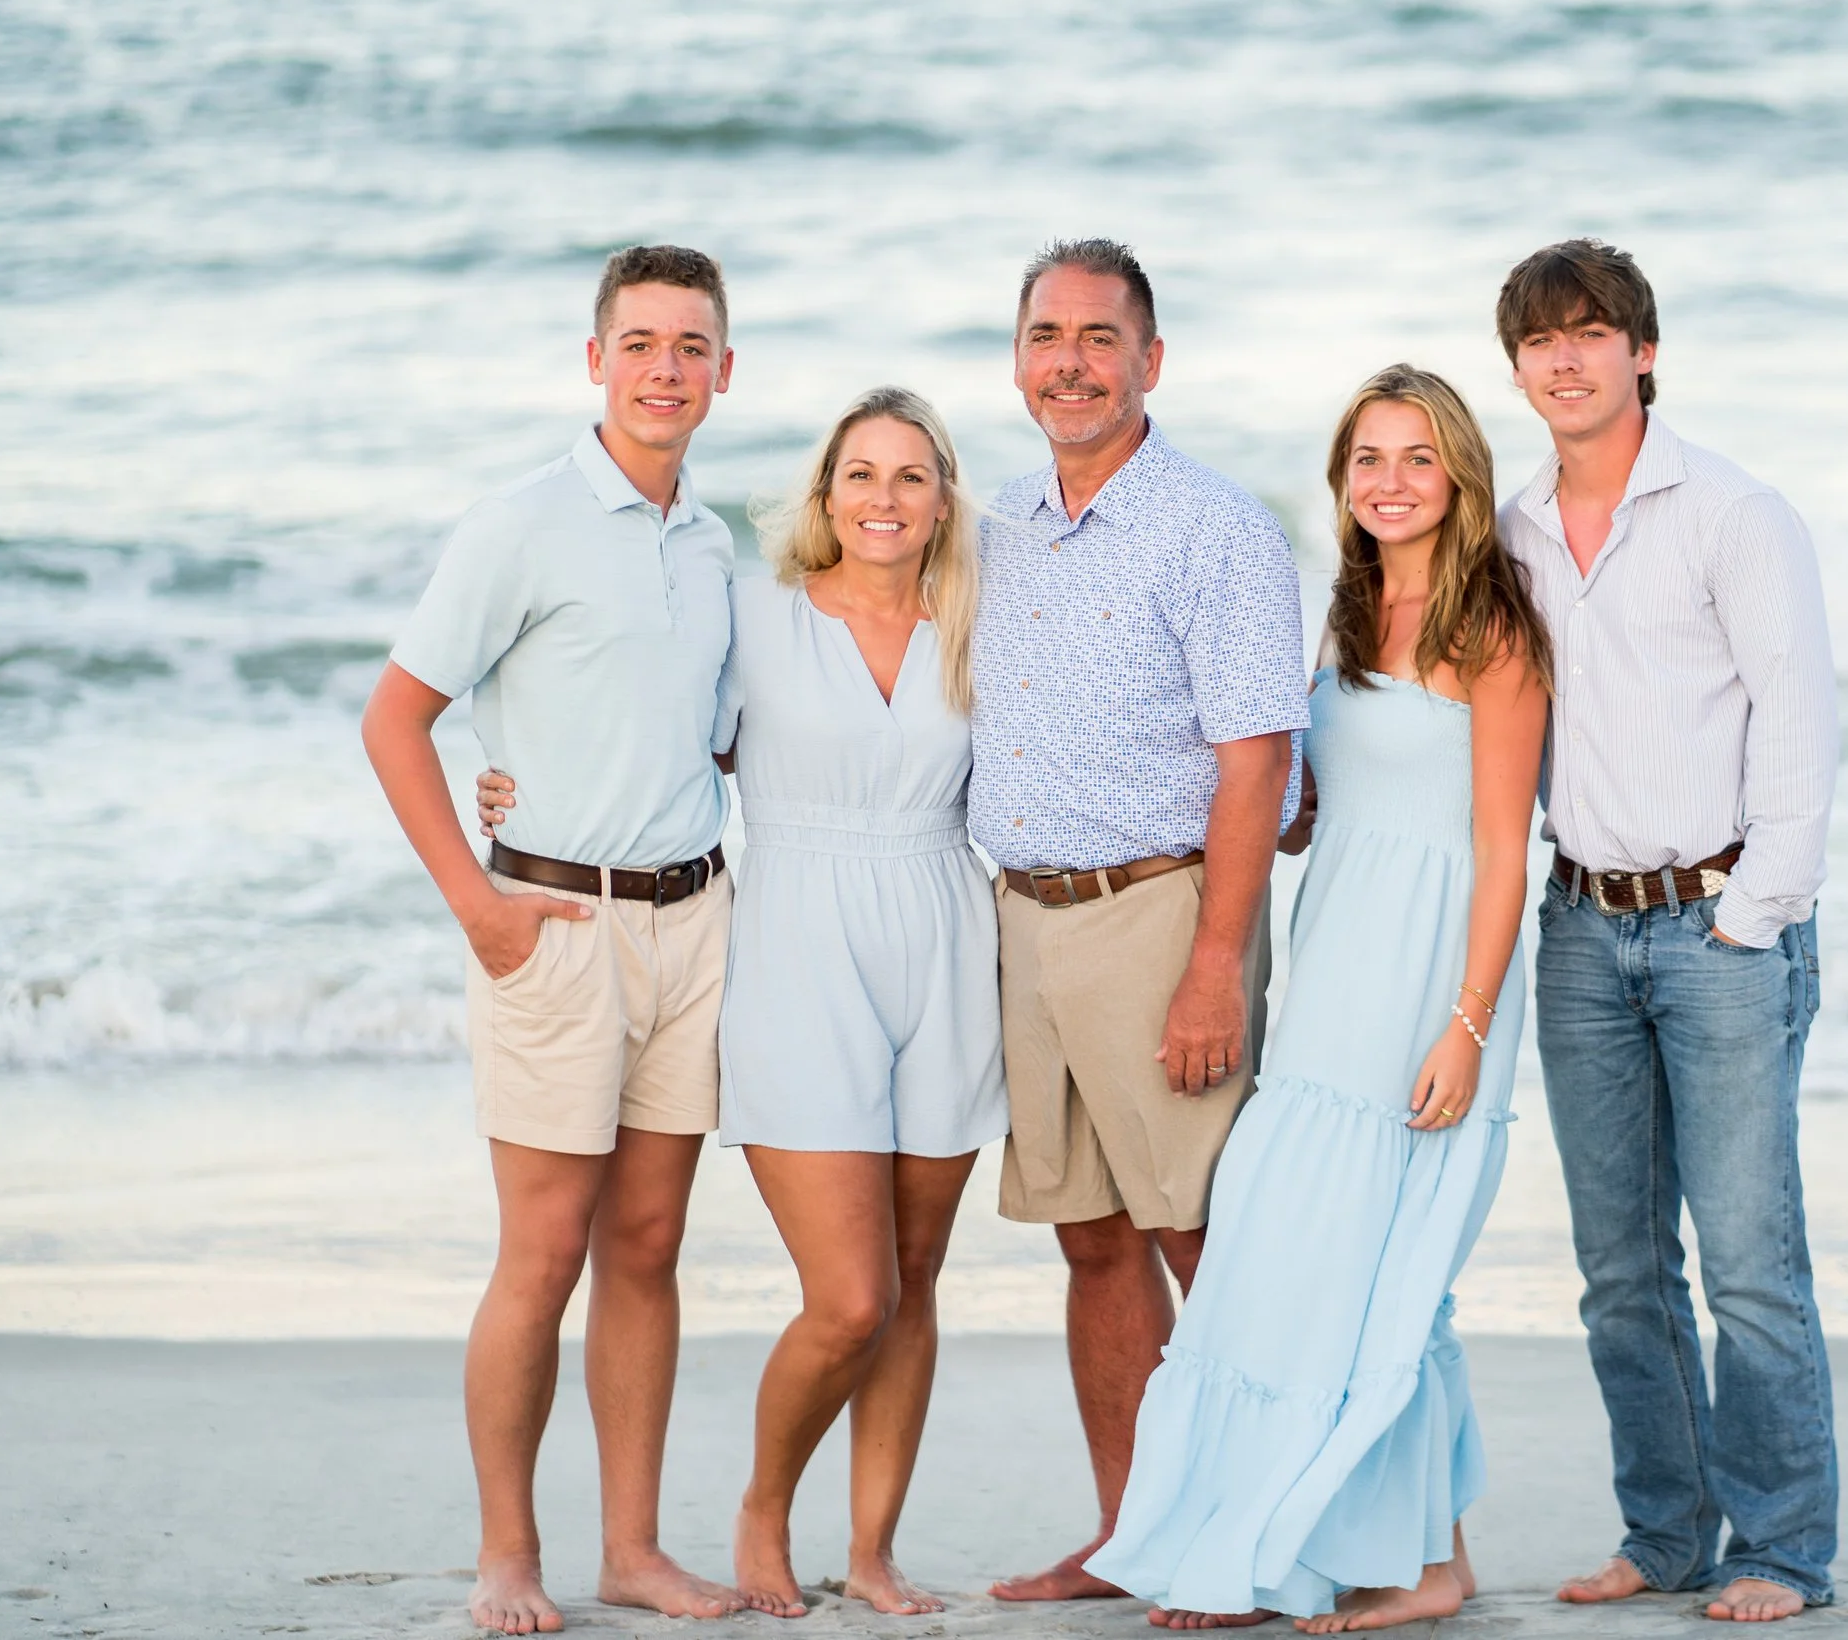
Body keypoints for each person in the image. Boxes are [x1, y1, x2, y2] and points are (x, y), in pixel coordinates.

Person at [475, 387, 1007, 1619]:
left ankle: (872, 1551)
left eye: (911, 477)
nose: (883, 498)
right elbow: (614, 695)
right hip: (796, 943)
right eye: (859, 475)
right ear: (824, 496)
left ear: (943, 501)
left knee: (915, 1277)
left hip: (944, 932)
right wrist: (503, 779)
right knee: (850, 1297)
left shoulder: (983, 621)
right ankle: (764, 1506)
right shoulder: (754, 612)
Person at [1087, 365, 1549, 1632]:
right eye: (1366, 460)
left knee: (1375, 1262)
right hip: (1334, 960)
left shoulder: (1493, 630)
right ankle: (1411, 1556)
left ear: (1457, 475)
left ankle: (1384, 1562)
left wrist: (1464, 1025)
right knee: (1324, 1257)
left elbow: (1506, 849)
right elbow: (1316, 809)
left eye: (1414, 458)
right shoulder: (1345, 617)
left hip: (1431, 978)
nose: (1389, 483)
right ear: (1342, 483)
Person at [360, 245, 748, 1635]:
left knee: (647, 1245)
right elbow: (394, 718)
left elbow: (721, 736)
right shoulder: (520, 524)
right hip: (555, 928)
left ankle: (632, 1551)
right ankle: (506, 1557)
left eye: (690, 346)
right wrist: (478, 900)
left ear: (723, 369)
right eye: (639, 343)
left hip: (691, 921)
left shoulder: (715, 547)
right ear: (596, 362)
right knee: (542, 1251)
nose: (664, 369)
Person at [1493, 239, 1840, 1623]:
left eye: (1591, 333)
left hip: (1721, 928)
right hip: (1580, 931)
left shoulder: (1736, 514)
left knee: (1751, 1265)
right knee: (1619, 1270)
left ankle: (1781, 1553)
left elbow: (1801, 732)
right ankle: (1667, 1530)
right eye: (1538, 341)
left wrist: (1751, 921)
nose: (1565, 359)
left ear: (1643, 349)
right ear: (1516, 367)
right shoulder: (1513, 528)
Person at [975, 239, 1309, 1603]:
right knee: (1095, 1241)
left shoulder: (1217, 526)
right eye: (1048, 334)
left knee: (1203, 1241)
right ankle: (1133, 1536)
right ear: (1018, 361)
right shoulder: (997, 521)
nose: (1072, 361)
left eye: (1100, 337)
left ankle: (1248, 1536)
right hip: (1028, 924)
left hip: (1162, 917)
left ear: (1150, 361)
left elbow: (1259, 761)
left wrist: (1215, 966)